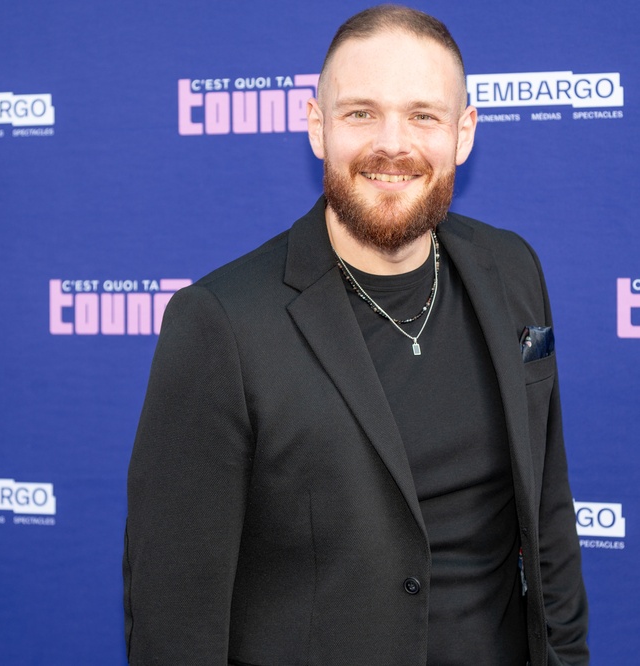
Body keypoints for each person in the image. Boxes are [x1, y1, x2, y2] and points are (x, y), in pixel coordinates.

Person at [123, 5, 588, 665]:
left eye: (423, 115)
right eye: (361, 113)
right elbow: (174, 617)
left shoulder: (514, 271)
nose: (392, 144)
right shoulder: (219, 323)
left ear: (463, 134)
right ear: (317, 127)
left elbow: (549, 515)